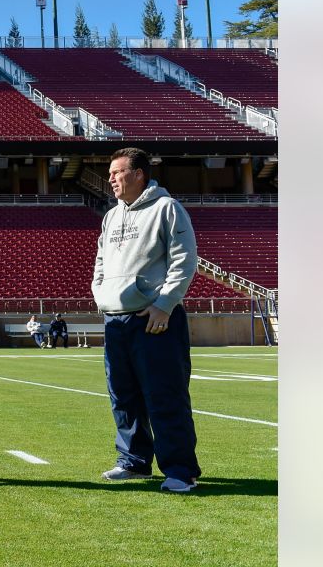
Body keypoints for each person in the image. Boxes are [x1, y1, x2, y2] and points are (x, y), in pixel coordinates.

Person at [93, 147, 201, 494]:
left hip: (154, 320)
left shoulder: (166, 208)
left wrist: (165, 304)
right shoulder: (111, 216)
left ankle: (181, 470)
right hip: (116, 320)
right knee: (123, 397)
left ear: (139, 174)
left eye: (117, 172)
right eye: (110, 173)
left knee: (165, 396)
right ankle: (133, 462)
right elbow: (100, 260)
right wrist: (101, 293)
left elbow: (185, 260)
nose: (111, 179)